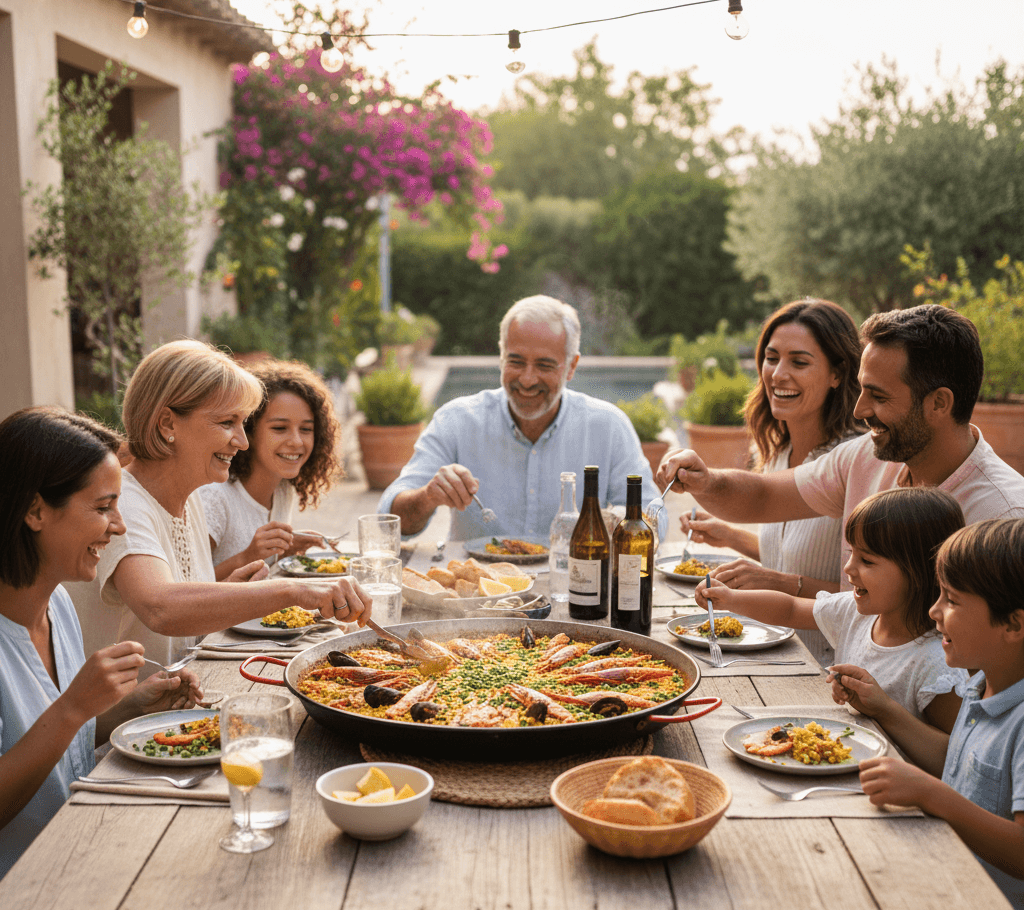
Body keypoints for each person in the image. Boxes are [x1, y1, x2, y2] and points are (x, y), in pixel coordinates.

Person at [659, 304, 1024, 589]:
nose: (859, 410)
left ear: (939, 404)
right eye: (863, 388)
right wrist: (706, 481)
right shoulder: (866, 455)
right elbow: (763, 496)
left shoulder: (1005, 516)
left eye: (878, 396)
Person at [67, 340, 370, 666]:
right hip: (127, 717)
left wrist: (226, 589)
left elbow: (180, 616)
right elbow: (160, 608)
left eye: (243, 423)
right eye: (227, 423)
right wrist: (291, 591)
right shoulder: (123, 502)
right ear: (168, 424)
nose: (242, 442)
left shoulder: (191, 497)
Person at [0, 407, 202, 877]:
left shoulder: (57, 607)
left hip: (79, 854)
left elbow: (46, 742)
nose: (119, 526)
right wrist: (74, 706)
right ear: (35, 510)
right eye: (102, 507)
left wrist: (127, 707)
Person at [834, 519, 1024, 909]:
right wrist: (883, 709)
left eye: (952, 600)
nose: (934, 611)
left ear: (1014, 623)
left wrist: (929, 794)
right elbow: (960, 765)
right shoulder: (981, 686)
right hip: (939, 877)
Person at [378, 295, 665, 541]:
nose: (527, 380)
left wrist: (611, 519)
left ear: (571, 366)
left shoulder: (609, 427)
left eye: (544, 365)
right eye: (515, 361)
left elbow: (656, 522)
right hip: (479, 597)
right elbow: (388, 521)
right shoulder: (457, 420)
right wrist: (428, 496)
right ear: (501, 357)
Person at [679, 299, 863, 664]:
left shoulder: (854, 463)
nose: (778, 374)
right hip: (769, 648)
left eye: (799, 362)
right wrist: (730, 536)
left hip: (823, 666)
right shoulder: (779, 450)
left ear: (837, 374)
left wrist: (778, 583)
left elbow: (865, 600)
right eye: (772, 357)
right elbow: (795, 556)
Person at [696, 487, 968, 733]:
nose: (848, 569)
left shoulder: (937, 665)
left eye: (867, 560)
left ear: (917, 571)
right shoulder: (857, 612)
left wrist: (884, 710)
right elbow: (791, 609)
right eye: (851, 554)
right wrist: (730, 599)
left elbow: (951, 756)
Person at [199, 359, 343, 580]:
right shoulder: (215, 496)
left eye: (306, 429)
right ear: (249, 431)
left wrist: (285, 550)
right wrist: (249, 555)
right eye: (279, 428)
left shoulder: (283, 489)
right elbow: (187, 587)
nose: (296, 441)